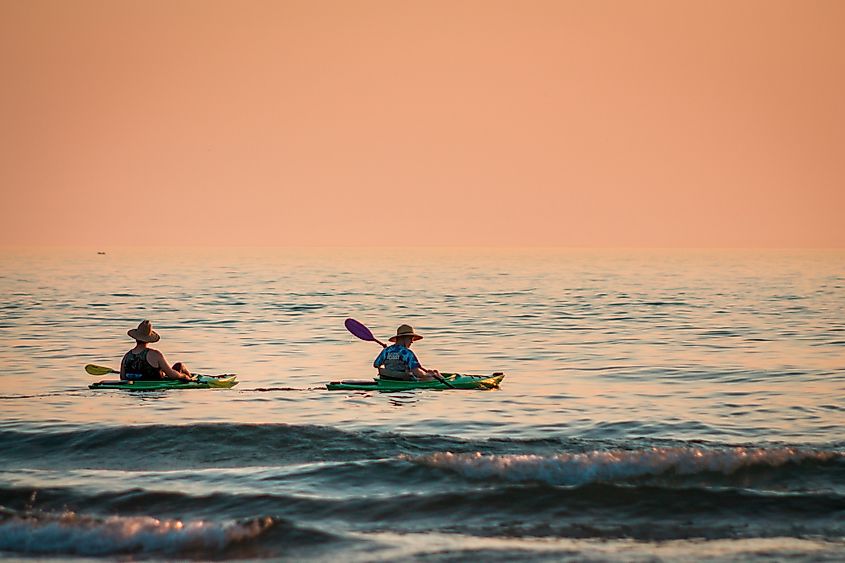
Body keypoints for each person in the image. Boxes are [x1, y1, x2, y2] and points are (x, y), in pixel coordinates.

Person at [120, 320, 194, 381]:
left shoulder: (127, 356)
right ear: (148, 339)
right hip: (154, 388)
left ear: (136, 338)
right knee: (179, 366)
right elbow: (171, 375)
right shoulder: (155, 354)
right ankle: (192, 379)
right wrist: (183, 376)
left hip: (134, 386)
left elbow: (123, 377)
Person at [373, 324, 442, 381]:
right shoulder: (407, 353)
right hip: (405, 380)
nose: (412, 341)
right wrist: (429, 375)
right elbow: (417, 373)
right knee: (436, 373)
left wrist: (390, 356)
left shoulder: (386, 351)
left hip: (388, 379)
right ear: (404, 338)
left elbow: (376, 364)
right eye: (411, 338)